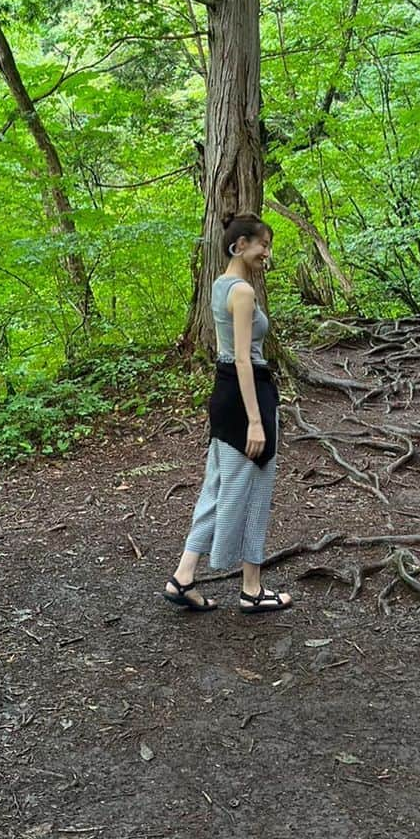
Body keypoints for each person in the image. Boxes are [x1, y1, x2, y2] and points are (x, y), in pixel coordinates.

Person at [163, 213, 294, 615]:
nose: (267, 254)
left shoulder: (219, 287)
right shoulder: (242, 293)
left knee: (216, 490)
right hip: (245, 397)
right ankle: (252, 589)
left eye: (269, 246)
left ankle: (183, 578)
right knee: (252, 490)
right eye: (262, 245)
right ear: (239, 246)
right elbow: (241, 358)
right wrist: (256, 420)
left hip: (226, 395)